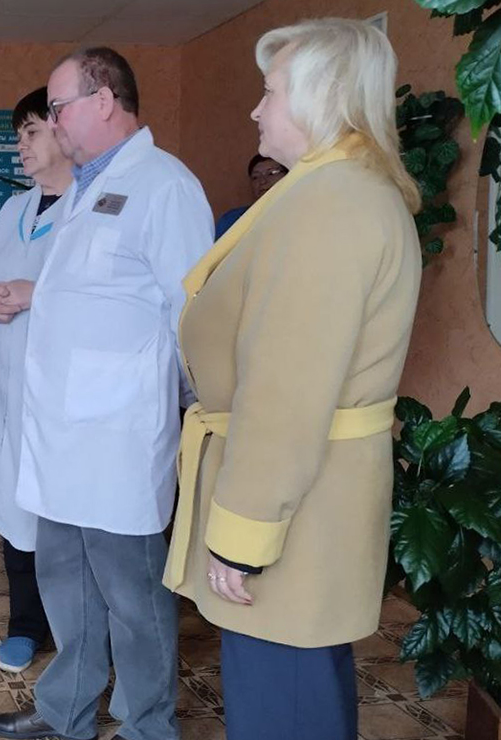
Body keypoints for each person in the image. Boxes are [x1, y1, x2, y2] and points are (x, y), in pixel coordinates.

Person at [162, 19, 421, 739]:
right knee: (295, 688)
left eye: (270, 92)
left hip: (292, 503)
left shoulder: (329, 205)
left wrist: (243, 533)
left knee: (284, 698)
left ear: (320, 97)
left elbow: (286, 392)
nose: (255, 110)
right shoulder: (335, 191)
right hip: (311, 493)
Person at [0, 47, 213, 740]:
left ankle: (148, 725)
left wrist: (187, 410)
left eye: (58, 108)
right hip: (60, 435)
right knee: (66, 584)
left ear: (105, 99)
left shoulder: (164, 186)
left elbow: (194, 316)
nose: (53, 122)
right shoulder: (85, 188)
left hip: (118, 436)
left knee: (132, 595)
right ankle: (67, 711)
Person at [0, 87, 73, 673]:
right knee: (14, 505)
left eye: (31, 132)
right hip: (6, 382)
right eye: (18, 135)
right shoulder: (14, 210)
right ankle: (25, 624)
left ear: (64, 130)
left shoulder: (91, 207)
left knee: (63, 514)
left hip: (61, 392)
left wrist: (35, 294)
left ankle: (74, 631)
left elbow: (106, 298)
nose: (20, 146)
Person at [214, 154, 288, 238]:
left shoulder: (297, 213)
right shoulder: (232, 220)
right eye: (255, 177)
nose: (262, 181)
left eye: (271, 173)